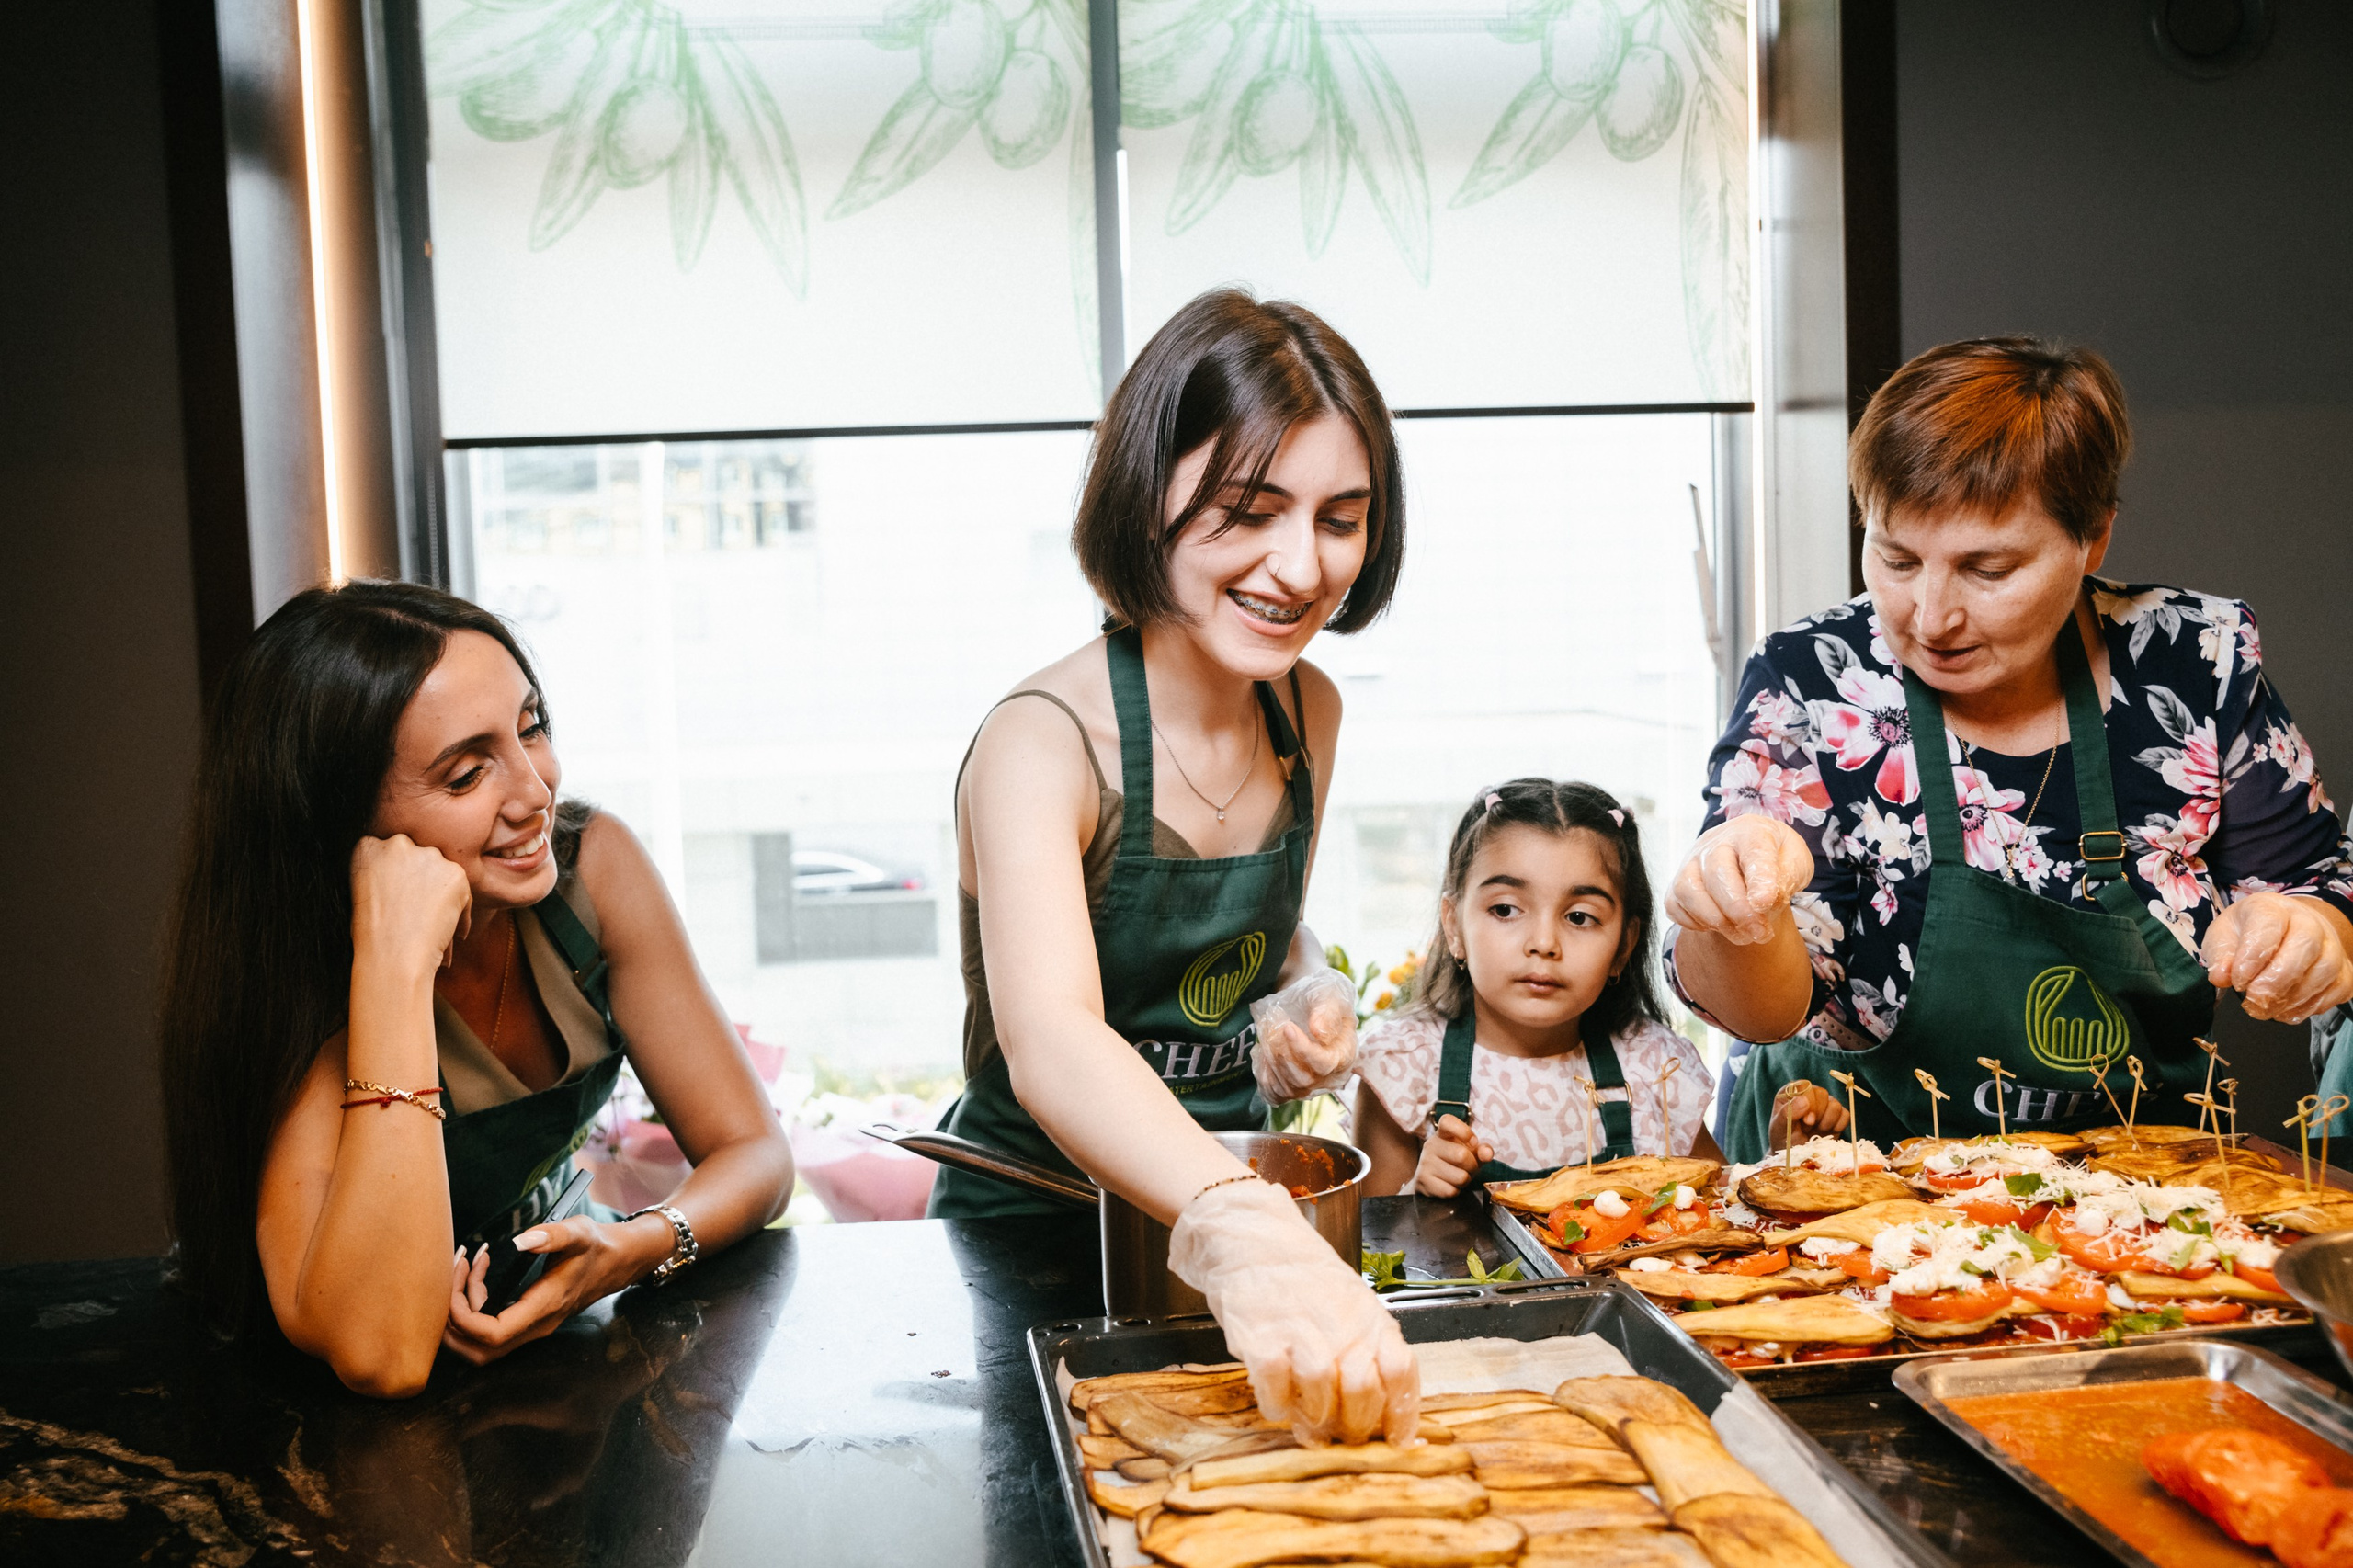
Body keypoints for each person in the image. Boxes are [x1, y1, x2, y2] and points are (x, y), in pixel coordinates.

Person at [1665, 337, 2353, 1161]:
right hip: (1846, 1173)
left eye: (1987, 569)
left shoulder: (2193, 661)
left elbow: (2318, 884)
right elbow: (1758, 1011)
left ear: (2093, 538)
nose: (1931, 616)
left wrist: (2309, 930)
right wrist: (1736, 911)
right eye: (1896, 557)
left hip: (2134, 1182)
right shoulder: (1811, 682)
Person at [934, 289, 1417, 1443]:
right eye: (1249, 510)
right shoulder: (1042, 742)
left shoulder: (1307, 710)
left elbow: (1257, 943)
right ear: (1149, 493)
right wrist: (1250, 1229)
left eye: (1340, 519)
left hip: (1243, 1219)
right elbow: (1052, 1038)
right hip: (1041, 1232)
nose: (1298, 566)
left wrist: (1302, 989)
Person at [160, 582, 793, 1397]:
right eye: (466, 774)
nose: (535, 793)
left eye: (531, 728)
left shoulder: (593, 868)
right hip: (331, 1418)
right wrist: (392, 966)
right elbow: (381, 1352)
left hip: (553, 1355)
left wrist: (634, 1247)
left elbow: (755, 1152)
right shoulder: (301, 977)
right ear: (341, 819)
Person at [1355, 779, 1715, 1198]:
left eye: (1579, 917)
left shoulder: (1655, 1068)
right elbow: (1368, 1235)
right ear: (1453, 926)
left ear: (1624, 946)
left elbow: (1721, 1207)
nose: (1544, 943)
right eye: (1505, 909)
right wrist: (1417, 1194)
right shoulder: (1404, 1066)